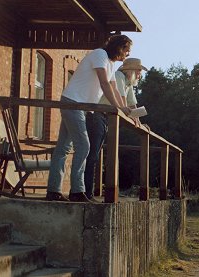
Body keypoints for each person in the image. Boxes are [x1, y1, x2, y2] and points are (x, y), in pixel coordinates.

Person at [46, 35, 132, 202]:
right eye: (126, 50)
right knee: (84, 146)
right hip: (73, 103)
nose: (127, 54)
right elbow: (104, 83)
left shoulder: (111, 64)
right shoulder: (99, 54)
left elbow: (114, 88)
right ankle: (77, 192)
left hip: (79, 106)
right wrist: (118, 107)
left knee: (63, 147)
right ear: (118, 47)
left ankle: (53, 191)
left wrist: (125, 109)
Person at [82, 58, 147, 200]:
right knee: (92, 155)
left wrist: (140, 123)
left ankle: (87, 192)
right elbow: (122, 100)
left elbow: (132, 105)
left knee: (94, 154)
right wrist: (132, 116)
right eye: (139, 71)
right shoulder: (119, 76)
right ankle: (86, 193)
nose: (140, 75)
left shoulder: (129, 83)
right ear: (131, 71)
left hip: (104, 117)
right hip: (97, 115)